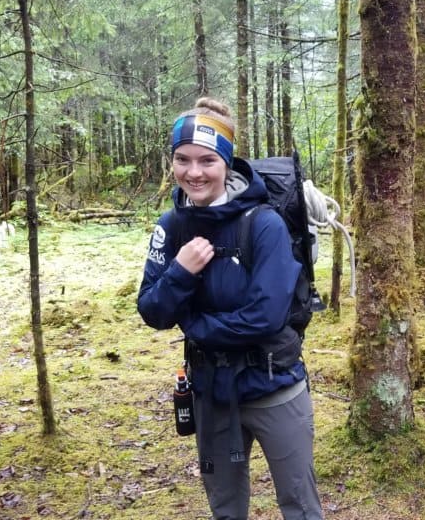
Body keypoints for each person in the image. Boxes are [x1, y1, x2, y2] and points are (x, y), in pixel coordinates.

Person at [137, 97, 323, 520]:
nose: (194, 172)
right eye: (182, 159)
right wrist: (181, 272)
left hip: (274, 387)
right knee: (225, 507)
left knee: (300, 505)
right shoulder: (171, 227)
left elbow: (266, 316)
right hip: (212, 391)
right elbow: (152, 311)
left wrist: (195, 325)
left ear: (226, 161)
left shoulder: (263, 224)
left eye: (207, 160)